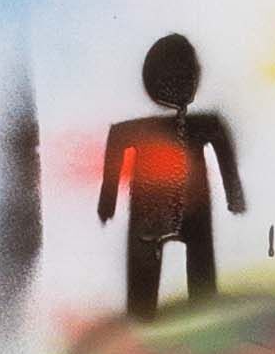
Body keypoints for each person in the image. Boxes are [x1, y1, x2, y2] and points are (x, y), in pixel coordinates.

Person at [102, 33, 248, 317]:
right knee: (198, 276)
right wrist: (235, 197)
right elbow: (222, 147)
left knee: (154, 289)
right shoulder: (204, 124)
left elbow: (117, 139)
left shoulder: (143, 129)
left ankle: (147, 320)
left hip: (156, 206)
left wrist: (106, 203)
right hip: (184, 205)